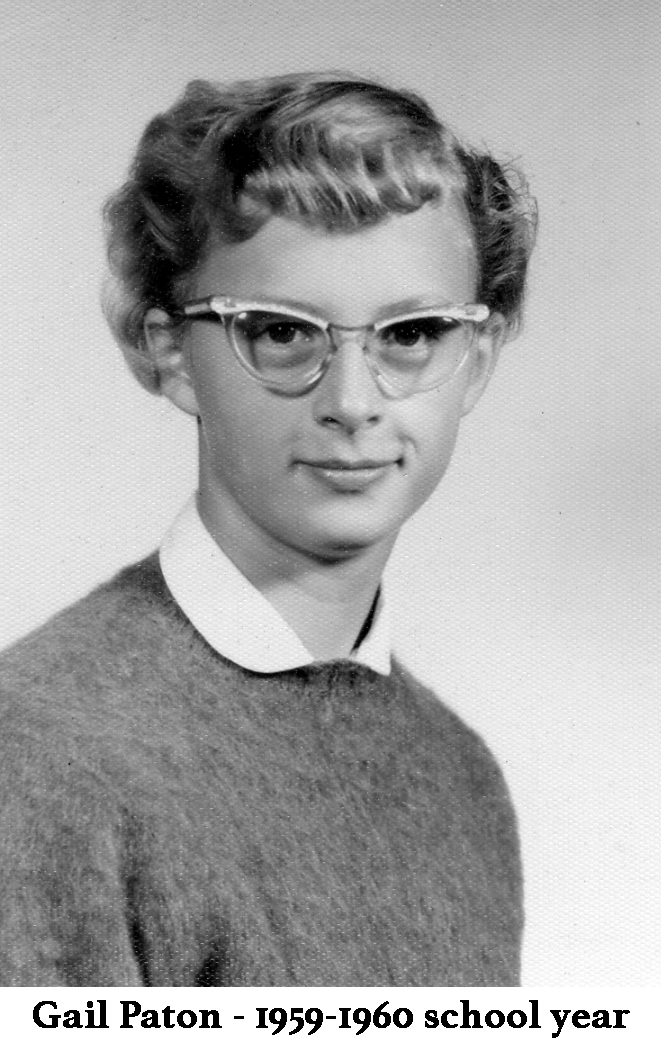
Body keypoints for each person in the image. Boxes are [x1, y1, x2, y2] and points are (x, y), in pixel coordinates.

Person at [0, 72, 536, 987]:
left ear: (475, 361)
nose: (353, 403)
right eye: (282, 334)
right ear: (170, 355)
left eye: (411, 335)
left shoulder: (462, 777)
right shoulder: (42, 750)